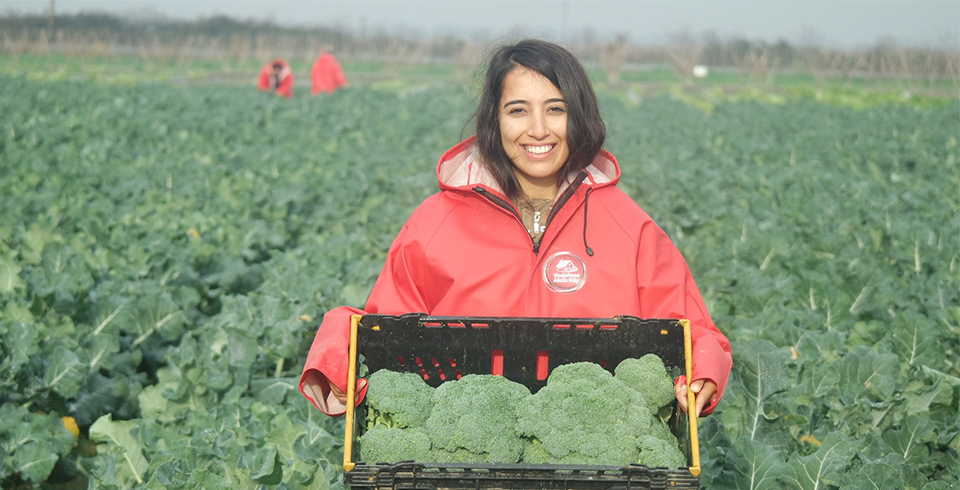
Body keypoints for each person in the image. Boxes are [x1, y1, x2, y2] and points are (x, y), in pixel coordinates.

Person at [299, 39, 732, 419]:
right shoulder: (434, 222)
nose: (538, 130)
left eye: (556, 109)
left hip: (590, 456)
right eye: (518, 110)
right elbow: (384, 330)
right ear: (494, 120)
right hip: (463, 459)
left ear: (578, 116)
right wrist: (338, 356)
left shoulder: (629, 225)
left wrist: (705, 373)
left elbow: (693, 331)